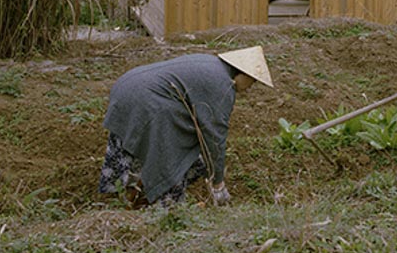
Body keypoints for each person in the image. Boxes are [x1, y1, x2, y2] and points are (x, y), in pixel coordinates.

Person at [99, 46, 273, 207]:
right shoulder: (222, 85)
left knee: (134, 149)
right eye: (253, 81)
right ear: (243, 73)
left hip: (126, 88)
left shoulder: (209, 62)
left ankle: (121, 196)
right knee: (175, 151)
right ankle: (165, 206)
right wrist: (218, 182)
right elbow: (214, 136)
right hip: (146, 101)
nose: (250, 87)